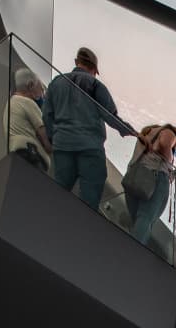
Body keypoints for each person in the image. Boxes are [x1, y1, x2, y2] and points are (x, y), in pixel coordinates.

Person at [43, 46, 134, 208]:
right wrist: (131, 131)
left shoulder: (56, 83)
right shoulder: (95, 85)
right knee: (89, 200)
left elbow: (47, 115)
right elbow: (110, 116)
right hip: (90, 149)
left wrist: (53, 139)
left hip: (63, 146)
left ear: (76, 62)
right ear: (93, 69)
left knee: (59, 194)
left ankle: (53, 221)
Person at [123, 123, 176, 247]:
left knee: (137, 219)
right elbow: (164, 142)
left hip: (134, 176)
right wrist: (168, 165)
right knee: (145, 218)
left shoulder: (148, 132)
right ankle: (133, 253)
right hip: (154, 180)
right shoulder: (169, 133)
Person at [6, 70, 51, 170]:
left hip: (15, 154)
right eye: (41, 89)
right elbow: (46, 139)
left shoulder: (10, 104)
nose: (42, 94)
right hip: (32, 155)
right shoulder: (28, 102)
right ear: (30, 85)